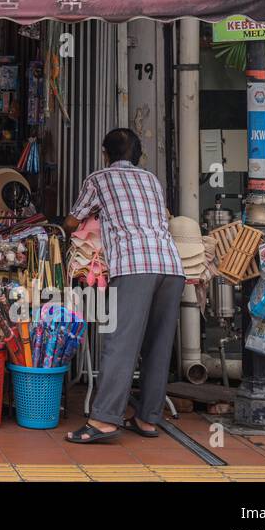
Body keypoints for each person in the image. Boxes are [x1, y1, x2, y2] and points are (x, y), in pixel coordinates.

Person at [61, 128, 183, 444]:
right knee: (158, 346)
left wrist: (61, 227)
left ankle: (103, 421)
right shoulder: (152, 181)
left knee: (121, 342)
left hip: (135, 266)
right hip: (171, 266)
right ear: (138, 156)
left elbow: (74, 220)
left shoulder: (99, 179)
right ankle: (146, 418)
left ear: (105, 153)